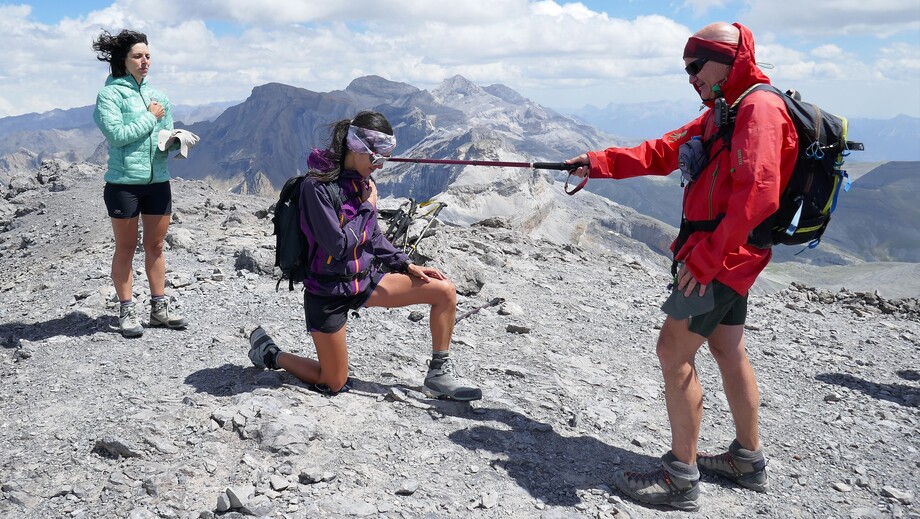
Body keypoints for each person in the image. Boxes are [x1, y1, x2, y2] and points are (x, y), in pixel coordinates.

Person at [566, 22, 795, 511]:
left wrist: (707, 260)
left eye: (696, 66)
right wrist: (597, 162)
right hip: (730, 256)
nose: (690, 76)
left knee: (672, 350)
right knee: (727, 347)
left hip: (721, 259)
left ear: (727, 60)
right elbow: (664, 151)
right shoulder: (724, 110)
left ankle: (680, 477)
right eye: (686, 68)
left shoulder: (757, 108)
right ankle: (747, 459)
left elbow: (759, 194)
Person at [248, 111, 481, 402]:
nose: (379, 165)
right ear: (356, 147)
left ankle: (438, 376)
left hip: (365, 281)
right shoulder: (315, 188)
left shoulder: (361, 181)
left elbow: (373, 236)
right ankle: (270, 353)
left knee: (443, 290)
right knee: (333, 382)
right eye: (376, 158)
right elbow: (338, 246)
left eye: (384, 159)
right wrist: (368, 205)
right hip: (328, 293)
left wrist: (405, 264)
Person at [92, 29, 188, 338]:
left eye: (148, 56)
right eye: (138, 56)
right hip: (124, 184)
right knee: (126, 247)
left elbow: (163, 137)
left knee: (156, 246)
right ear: (124, 60)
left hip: (158, 181)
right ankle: (126, 309)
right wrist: (150, 116)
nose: (145, 61)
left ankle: (159, 309)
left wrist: (176, 141)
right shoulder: (109, 95)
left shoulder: (159, 96)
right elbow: (117, 135)